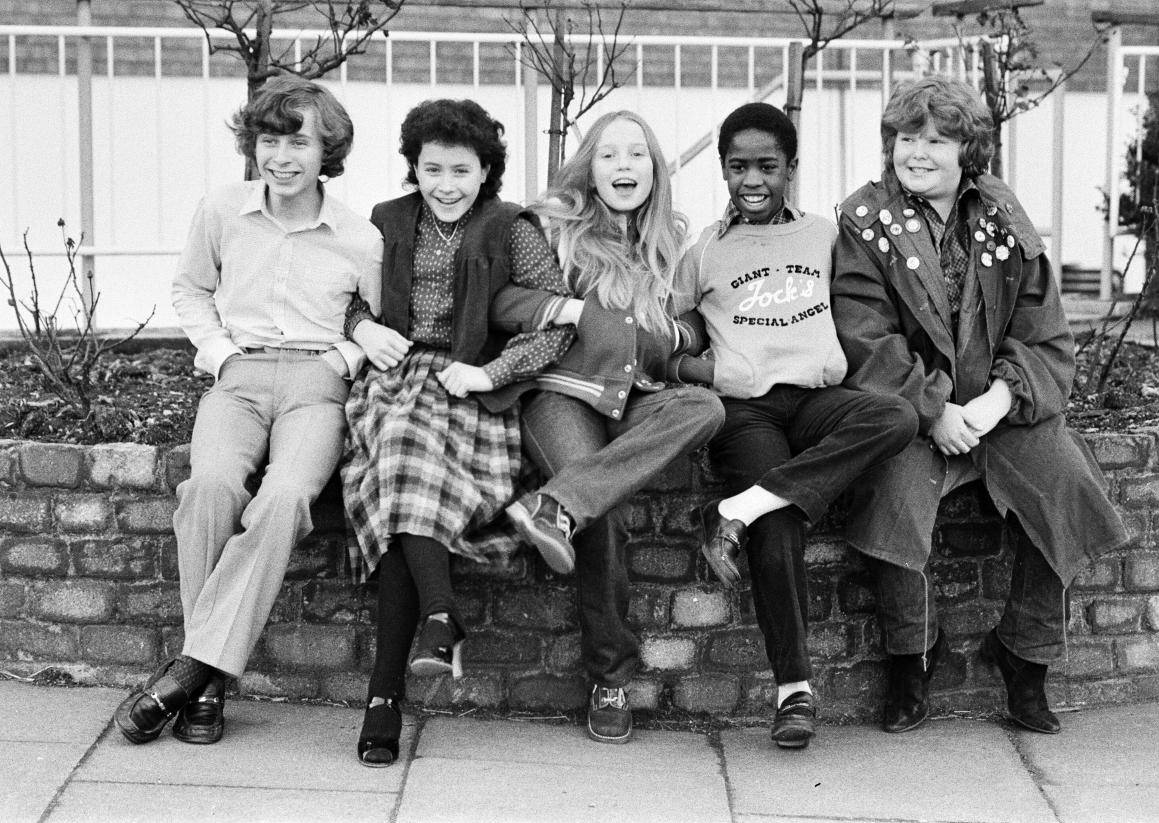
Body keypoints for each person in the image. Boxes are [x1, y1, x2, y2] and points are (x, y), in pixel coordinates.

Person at [831, 76, 1129, 736]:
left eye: (937, 140)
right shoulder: (864, 221)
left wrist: (999, 399)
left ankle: (1024, 655)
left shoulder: (1000, 213)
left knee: (1063, 483)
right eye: (907, 137)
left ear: (968, 148)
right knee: (892, 497)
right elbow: (862, 335)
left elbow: (1039, 327)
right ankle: (911, 656)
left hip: (998, 408)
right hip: (911, 412)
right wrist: (934, 408)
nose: (918, 152)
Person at [114, 77, 383, 746]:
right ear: (252, 145)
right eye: (269, 140)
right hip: (238, 376)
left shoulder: (359, 237)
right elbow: (190, 288)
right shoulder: (221, 211)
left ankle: (190, 672)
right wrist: (220, 352)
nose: (282, 156)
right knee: (207, 489)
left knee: (287, 496)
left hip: (317, 385)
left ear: (328, 151)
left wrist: (342, 362)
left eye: (299, 141)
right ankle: (206, 682)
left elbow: (375, 322)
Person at [674, 102, 919, 749]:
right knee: (777, 524)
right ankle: (793, 692)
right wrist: (704, 369)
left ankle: (737, 506)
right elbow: (663, 338)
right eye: (737, 167)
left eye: (766, 166)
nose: (751, 180)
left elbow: (871, 301)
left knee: (895, 413)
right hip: (747, 411)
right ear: (723, 170)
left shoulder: (823, 235)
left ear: (790, 168)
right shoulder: (704, 248)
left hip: (818, 399)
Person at [343, 99, 576, 767]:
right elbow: (343, 292)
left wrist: (493, 372)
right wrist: (364, 327)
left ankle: (382, 697)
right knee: (399, 459)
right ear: (413, 168)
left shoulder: (512, 228)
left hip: (474, 388)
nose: (445, 184)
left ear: (485, 171)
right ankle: (439, 617)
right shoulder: (385, 221)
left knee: (400, 475)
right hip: (396, 379)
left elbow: (556, 321)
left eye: (461, 170)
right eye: (431, 168)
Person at [501, 111, 725, 744]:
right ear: (588, 167)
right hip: (563, 395)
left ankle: (554, 507)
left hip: (639, 400)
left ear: (655, 169)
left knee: (704, 408)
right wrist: (574, 309)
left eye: (637, 156)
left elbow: (672, 348)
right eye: (609, 156)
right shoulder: (551, 228)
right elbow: (502, 303)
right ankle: (611, 678)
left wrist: (686, 348)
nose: (624, 168)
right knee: (606, 515)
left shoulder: (670, 250)